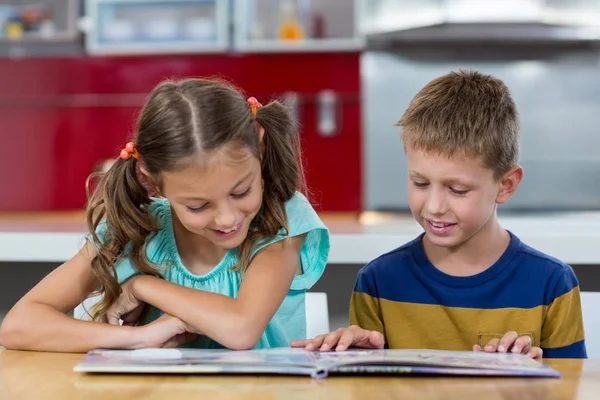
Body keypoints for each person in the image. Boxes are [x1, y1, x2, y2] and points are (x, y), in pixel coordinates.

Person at [0, 77, 330, 352]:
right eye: (198, 206)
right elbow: (18, 326)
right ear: (152, 179)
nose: (227, 218)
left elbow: (241, 329)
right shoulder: (134, 228)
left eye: (241, 192)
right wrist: (137, 337)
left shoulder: (282, 219)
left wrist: (142, 285)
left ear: (258, 145)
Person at [291, 70, 586, 359]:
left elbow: (571, 389)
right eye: (420, 183)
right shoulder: (378, 282)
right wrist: (353, 362)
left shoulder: (551, 284)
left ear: (505, 185)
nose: (433, 206)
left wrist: (536, 381)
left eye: (457, 189)